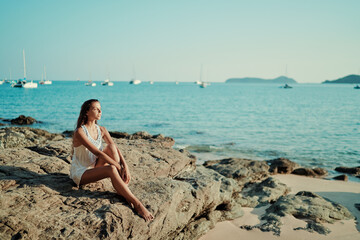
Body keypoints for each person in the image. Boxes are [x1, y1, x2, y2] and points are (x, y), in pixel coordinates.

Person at [70, 99, 154, 221]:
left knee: (111, 147)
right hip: (81, 173)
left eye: (100, 108)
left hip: (95, 168)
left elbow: (115, 148)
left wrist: (126, 166)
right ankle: (137, 204)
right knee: (111, 169)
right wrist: (118, 166)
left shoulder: (102, 129)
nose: (100, 111)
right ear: (87, 112)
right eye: (95, 109)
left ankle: (123, 190)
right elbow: (97, 152)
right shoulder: (80, 132)